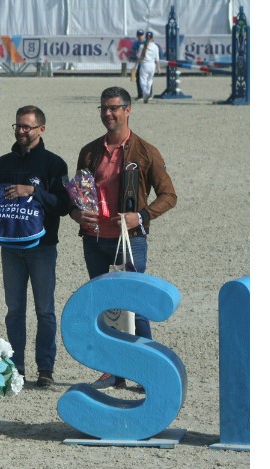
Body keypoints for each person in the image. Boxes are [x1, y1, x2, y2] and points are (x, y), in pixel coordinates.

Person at [70, 86, 177, 391]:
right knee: (104, 307)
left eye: (115, 108)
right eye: (104, 108)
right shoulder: (89, 151)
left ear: (128, 110)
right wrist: (78, 214)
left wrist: (141, 216)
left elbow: (169, 195)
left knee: (135, 306)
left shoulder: (145, 151)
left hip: (130, 239)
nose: (109, 113)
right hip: (94, 239)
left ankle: (148, 370)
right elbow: (78, 194)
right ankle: (112, 370)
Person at [0, 105, 71, 387]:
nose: (22, 131)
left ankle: (45, 369)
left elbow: (63, 205)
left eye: (27, 127)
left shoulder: (54, 164)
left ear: (41, 129)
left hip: (42, 247)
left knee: (45, 310)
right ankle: (16, 366)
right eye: (18, 126)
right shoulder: (3, 164)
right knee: (14, 309)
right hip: (10, 248)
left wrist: (33, 191)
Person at [137, 31, 161, 103]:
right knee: (149, 80)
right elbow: (157, 59)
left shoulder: (142, 46)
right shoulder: (155, 47)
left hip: (144, 64)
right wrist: (158, 68)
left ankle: (145, 92)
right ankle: (147, 93)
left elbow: (139, 57)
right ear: (152, 38)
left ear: (145, 37)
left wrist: (135, 65)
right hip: (152, 65)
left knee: (142, 80)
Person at [128, 29, 145, 99]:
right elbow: (132, 52)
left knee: (147, 80)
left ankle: (148, 94)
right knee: (138, 79)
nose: (140, 36)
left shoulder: (146, 43)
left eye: (141, 35)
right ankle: (140, 95)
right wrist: (131, 57)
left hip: (146, 64)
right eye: (138, 35)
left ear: (143, 35)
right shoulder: (136, 44)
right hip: (139, 64)